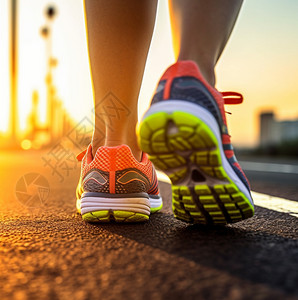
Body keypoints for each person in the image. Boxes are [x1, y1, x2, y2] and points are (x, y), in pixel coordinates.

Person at [75, 0, 254, 225]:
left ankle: (109, 148)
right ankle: (191, 85)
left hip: (98, 181)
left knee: (113, 133)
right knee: (193, 71)